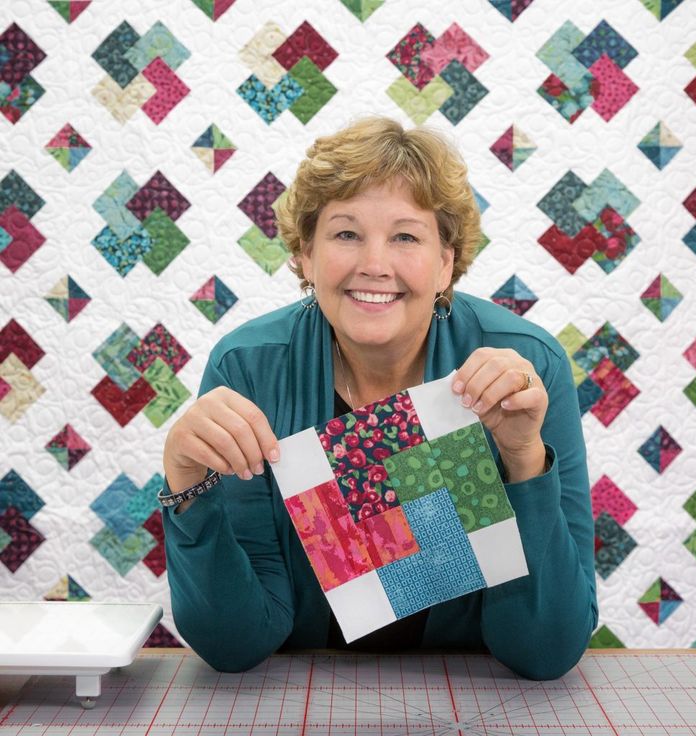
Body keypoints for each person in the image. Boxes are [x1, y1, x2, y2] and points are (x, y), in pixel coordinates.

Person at [161, 116, 597, 680]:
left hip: (475, 698)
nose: (374, 263)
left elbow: (548, 650)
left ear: (446, 263)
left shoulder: (526, 365)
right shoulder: (249, 368)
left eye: (406, 236)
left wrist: (522, 459)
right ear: (305, 256)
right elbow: (236, 641)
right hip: (304, 696)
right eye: (346, 233)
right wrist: (183, 479)